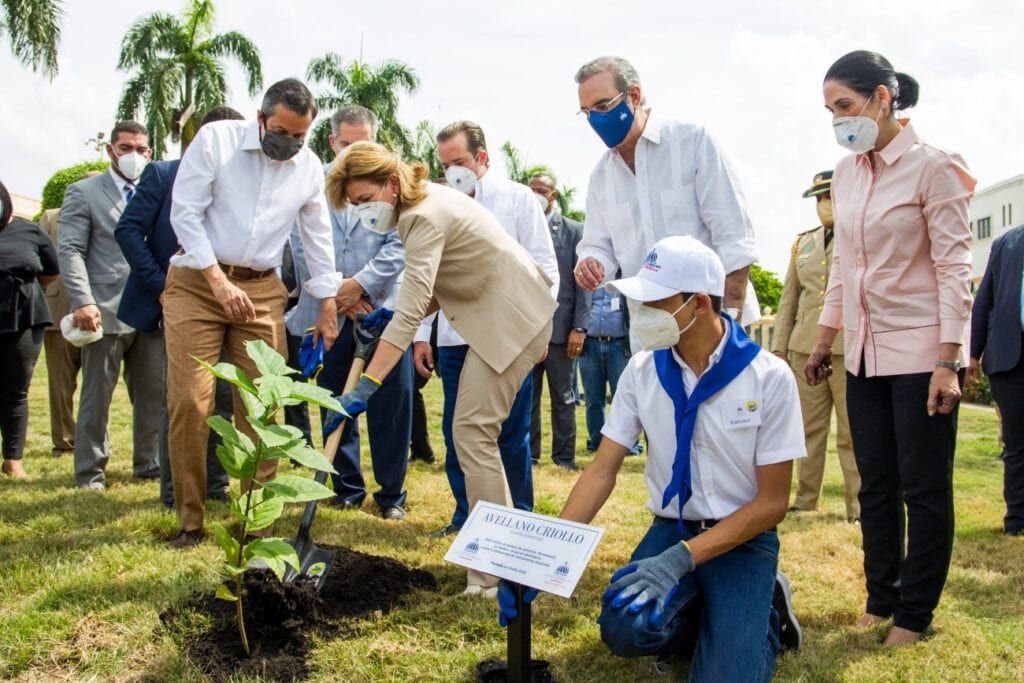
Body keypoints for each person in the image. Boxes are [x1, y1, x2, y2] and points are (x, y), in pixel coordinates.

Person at [498, 236, 804, 679]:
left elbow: (773, 502)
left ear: (698, 304)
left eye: (653, 303)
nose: (638, 316)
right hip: (672, 527)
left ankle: (766, 612)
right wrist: (546, 557)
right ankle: (703, 615)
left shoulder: (768, 377)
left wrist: (682, 560)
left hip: (743, 538)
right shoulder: (642, 371)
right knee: (624, 628)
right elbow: (602, 470)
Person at [326, 141, 555, 594]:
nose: (363, 213)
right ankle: (502, 559)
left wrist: (367, 386)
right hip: (501, 316)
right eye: (354, 206)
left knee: (472, 432)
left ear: (391, 184)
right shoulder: (425, 200)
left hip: (513, 321)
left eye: (365, 200)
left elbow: (413, 309)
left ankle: (492, 576)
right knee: (472, 432)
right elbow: (443, 280)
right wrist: (394, 317)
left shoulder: (421, 217)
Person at [805, 51, 975, 646]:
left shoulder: (935, 168)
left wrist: (948, 360)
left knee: (922, 488)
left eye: (845, 107)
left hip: (923, 353)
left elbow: (955, 268)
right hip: (863, 356)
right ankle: (882, 597)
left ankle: (914, 615)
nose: (837, 120)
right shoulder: (846, 171)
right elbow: (843, 271)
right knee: (874, 482)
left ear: (883, 98)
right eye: (829, 111)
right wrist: (825, 338)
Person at [165, 78, 341, 548]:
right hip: (197, 282)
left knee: (264, 405)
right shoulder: (216, 141)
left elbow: (316, 237)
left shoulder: (307, 167)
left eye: (300, 136)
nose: (289, 143)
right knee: (191, 401)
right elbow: (185, 213)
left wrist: (327, 303)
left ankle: (255, 520)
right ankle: (190, 520)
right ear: (260, 117)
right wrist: (217, 282)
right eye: (281, 131)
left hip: (262, 290)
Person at [413, 121, 559, 537]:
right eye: (444, 165)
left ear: (482, 158)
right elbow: (430, 276)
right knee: (460, 434)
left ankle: (518, 523)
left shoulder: (517, 200)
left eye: (459, 162)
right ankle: (470, 520)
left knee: (509, 434)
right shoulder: (437, 204)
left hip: (508, 336)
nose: (451, 171)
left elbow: (545, 268)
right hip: (457, 336)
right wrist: (424, 333)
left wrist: (539, 327)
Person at [115, 106, 245, 508]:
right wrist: (163, 286)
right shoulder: (163, 174)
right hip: (180, 300)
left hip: (227, 302)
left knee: (223, 395)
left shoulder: (243, 182)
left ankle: (216, 486)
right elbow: (129, 229)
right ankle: (176, 492)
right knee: (186, 397)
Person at [572, 56, 760, 333]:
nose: (596, 119)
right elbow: (598, 246)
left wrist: (731, 319)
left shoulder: (691, 141)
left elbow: (733, 235)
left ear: (633, 95)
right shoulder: (601, 177)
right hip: (650, 327)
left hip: (710, 320)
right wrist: (591, 262)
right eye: (587, 112)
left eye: (603, 106)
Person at [287, 105, 412, 521]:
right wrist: (337, 291)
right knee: (334, 399)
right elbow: (301, 242)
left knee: (390, 404)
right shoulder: (312, 182)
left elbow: (401, 245)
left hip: (381, 310)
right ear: (332, 142)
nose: (354, 152)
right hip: (328, 312)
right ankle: (346, 486)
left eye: (363, 144)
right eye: (346, 145)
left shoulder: (392, 186)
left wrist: (360, 287)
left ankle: (392, 494)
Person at [57, 121, 163, 490]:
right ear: (110, 151)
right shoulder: (84, 192)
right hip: (103, 310)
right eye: (125, 147)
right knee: (96, 398)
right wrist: (82, 300)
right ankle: (90, 471)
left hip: (150, 309)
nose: (134, 155)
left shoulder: (157, 190)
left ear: (150, 152)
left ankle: (149, 463)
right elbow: (70, 250)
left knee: (154, 395)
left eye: (141, 148)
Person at [772, 171, 860, 522]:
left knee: (853, 431)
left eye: (830, 197)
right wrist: (779, 349)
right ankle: (806, 498)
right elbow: (788, 301)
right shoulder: (803, 243)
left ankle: (858, 506)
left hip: (848, 347)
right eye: (819, 199)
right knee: (807, 428)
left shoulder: (858, 236)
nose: (824, 205)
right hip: (803, 348)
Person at [528, 171, 591, 471]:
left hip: (561, 329)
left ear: (553, 196)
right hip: (526, 327)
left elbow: (583, 284)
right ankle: (530, 454)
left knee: (563, 397)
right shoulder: (522, 226)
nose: (536, 195)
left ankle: (564, 458)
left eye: (541, 190)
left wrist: (579, 327)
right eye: (531, 190)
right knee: (527, 396)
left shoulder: (573, 231)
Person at [0, 180, 60, 478]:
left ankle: (13, 460)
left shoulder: (29, 230)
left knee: (16, 388)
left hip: (23, 317)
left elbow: (51, 272)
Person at [970, 224, 1024, 536]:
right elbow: (984, 301)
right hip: (1010, 357)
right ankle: (1017, 520)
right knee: (1016, 443)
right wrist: (973, 354)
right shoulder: (1006, 243)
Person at [38, 207, 82, 457]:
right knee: (60, 384)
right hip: (57, 310)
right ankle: (64, 441)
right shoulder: (51, 217)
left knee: (99, 388)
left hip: (102, 312)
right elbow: (41, 260)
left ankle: (91, 439)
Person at [578, 285, 638, 454]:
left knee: (623, 399)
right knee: (593, 400)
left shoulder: (623, 277)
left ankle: (628, 446)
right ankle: (597, 442)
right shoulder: (588, 282)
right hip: (590, 345)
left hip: (619, 346)